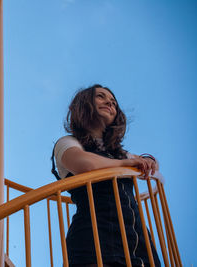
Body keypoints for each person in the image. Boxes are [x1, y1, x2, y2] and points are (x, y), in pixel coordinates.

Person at [51, 84, 161, 267]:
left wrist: (148, 160)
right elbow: (86, 164)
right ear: (84, 104)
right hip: (94, 242)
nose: (109, 103)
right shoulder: (68, 143)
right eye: (101, 97)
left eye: (113, 102)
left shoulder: (119, 153)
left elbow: (149, 165)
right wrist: (126, 163)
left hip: (138, 242)